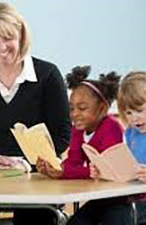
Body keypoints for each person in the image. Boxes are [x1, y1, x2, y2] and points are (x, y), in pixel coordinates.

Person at [0, 2, 71, 225]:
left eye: (8, 38)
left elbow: (62, 136)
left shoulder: (48, 75)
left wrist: (26, 163)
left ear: (21, 36)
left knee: (35, 218)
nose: (2, 47)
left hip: (36, 173)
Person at [37, 65, 134, 225]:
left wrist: (67, 172)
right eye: (71, 108)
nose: (75, 114)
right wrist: (56, 169)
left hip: (120, 199)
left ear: (102, 109)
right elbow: (73, 163)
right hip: (99, 197)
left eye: (82, 108)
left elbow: (104, 172)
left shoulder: (111, 128)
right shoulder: (78, 130)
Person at [117, 71, 146, 224]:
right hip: (131, 194)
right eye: (129, 112)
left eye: (139, 110)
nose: (134, 118)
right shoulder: (130, 133)